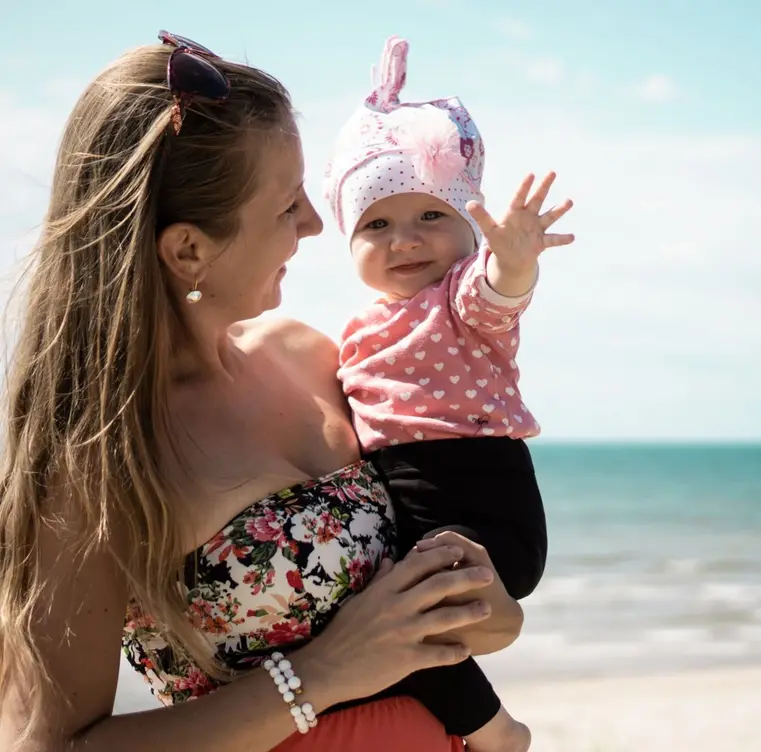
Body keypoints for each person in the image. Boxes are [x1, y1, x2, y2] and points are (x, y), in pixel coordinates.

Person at [0, 32, 526, 752]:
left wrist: (484, 603)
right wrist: (320, 674)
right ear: (189, 250)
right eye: (286, 206)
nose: (315, 223)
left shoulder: (311, 357)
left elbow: (475, 619)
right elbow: (43, 744)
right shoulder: (101, 459)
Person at [324, 36, 573, 749]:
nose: (405, 240)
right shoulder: (355, 331)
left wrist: (514, 261)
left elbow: (499, 295)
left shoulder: (459, 298)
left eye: (431, 216)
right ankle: (497, 730)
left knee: (416, 602)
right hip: (407, 505)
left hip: (485, 499)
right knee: (392, 629)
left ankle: (494, 729)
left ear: (468, 227)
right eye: (377, 224)